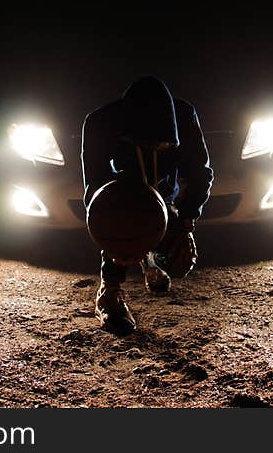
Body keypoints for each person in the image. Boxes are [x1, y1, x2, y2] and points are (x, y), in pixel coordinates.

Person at [81, 76, 213, 334]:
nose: (155, 147)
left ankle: (153, 261)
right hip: (121, 195)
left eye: (161, 144)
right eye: (147, 143)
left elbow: (200, 174)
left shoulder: (184, 118)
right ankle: (109, 293)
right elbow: (96, 192)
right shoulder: (100, 124)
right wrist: (114, 243)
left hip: (165, 196)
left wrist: (186, 223)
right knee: (122, 225)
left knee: (179, 262)